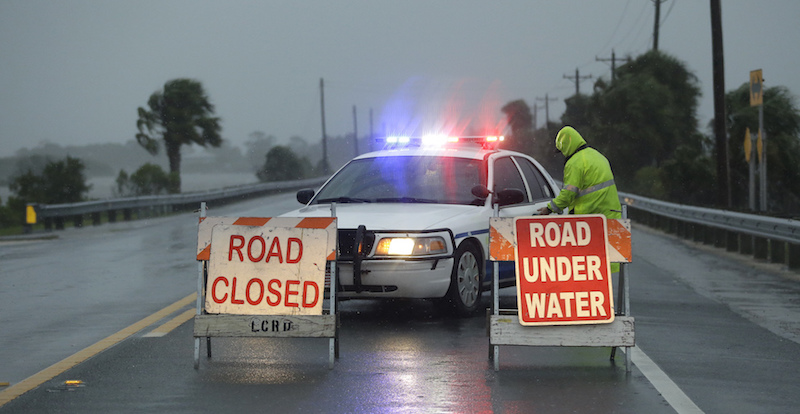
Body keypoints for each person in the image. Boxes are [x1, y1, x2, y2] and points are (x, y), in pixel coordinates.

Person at [538, 126, 622, 272]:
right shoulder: (598, 156)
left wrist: (550, 208)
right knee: (604, 263)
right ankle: (602, 294)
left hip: (589, 219)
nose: (563, 154)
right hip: (610, 215)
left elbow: (568, 194)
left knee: (586, 265)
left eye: (562, 150)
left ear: (566, 145)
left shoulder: (575, 163)